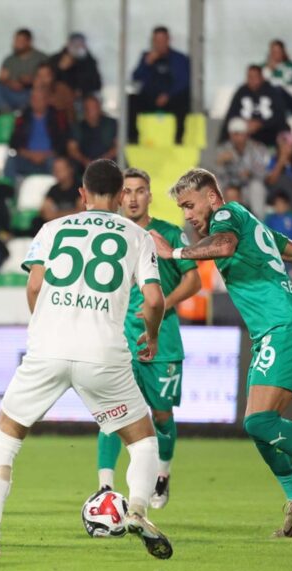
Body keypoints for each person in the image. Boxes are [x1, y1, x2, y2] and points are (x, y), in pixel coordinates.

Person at [0, 159, 172, 560]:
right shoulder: (139, 236)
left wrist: (43, 327)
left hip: (48, 349)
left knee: (6, 438)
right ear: (120, 195)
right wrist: (152, 335)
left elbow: (34, 285)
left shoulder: (51, 229)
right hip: (103, 353)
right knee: (144, 441)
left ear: (81, 193)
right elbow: (153, 299)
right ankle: (137, 510)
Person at [157, 167, 292, 537]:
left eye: (190, 205)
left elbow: (224, 246)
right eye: (182, 208)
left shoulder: (226, 216)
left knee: (259, 422)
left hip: (283, 328)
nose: (187, 215)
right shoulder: (254, 226)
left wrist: (174, 252)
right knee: (259, 425)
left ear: (211, 197)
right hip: (280, 330)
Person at [95, 168, 200, 508]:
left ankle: (161, 476)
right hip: (118, 341)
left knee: (162, 414)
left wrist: (162, 304)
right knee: (112, 413)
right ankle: (105, 487)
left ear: (150, 195)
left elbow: (194, 281)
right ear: (118, 196)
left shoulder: (168, 233)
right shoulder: (109, 235)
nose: (133, 198)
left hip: (163, 341)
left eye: (140, 190)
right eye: (127, 191)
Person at [128, 26, 190, 144]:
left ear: (168, 40)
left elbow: (183, 82)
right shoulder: (146, 57)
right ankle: (133, 137)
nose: (159, 44)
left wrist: (168, 95)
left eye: (162, 40)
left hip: (171, 99)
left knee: (184, 99)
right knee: (131, 100)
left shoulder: (179, 58)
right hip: (151, 98)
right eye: (156, 41)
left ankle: (178, 137)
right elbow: (136, 78)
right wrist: (146, 64)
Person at [212, 117, 270, 218]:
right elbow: (213, 172)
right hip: (229, 186)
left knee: (257, 187)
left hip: (247, 188)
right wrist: (219, 162)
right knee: (215, 186)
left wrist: (251, 172)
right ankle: (217, 220)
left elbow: (264, 172)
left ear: (246, 134)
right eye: (234, 134)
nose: (237, 137)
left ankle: (258, 221)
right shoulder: (223, 149)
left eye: (240, 134)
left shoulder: (256, 148)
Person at [5, 88, 68, 179]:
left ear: (46, 100)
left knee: (57, 163)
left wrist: (45, 155)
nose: (36, 102)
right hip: (27, 158)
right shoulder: (23, 117)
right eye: (34, 99)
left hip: (49, 158)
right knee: (11, 161)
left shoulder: (57, 117)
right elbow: (14, 142)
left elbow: (62, 142)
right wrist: (29, 154)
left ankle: (55, 187)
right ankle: (9, 187)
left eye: (40, 99)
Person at [220, 65, 288, 148]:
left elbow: (280, 115)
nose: (252, 80)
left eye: (255, 77)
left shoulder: (273, 92)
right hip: (246, 131)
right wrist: (244, 124)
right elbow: (232, 114)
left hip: (268, 130)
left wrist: (260, 123)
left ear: (262, 78)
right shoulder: (241, 92)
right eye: (249, 77)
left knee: (283, 130)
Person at [0, 29, 47, 114]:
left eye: (20, 41)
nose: (16, 44)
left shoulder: (41, 58)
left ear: (29, 42)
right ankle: (6, 113)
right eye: (15, 40)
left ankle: (24, 113)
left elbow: (47, 79)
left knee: (39, 93)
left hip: (29, 93)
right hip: (10, 93)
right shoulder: (9, 60)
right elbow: (1, 78)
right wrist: (10, 83)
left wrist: (31, 81)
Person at [47, 32, 102, 101]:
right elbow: (48, 80)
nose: (77, 47)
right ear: (68, 44)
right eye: (74, 44)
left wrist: (82, 90)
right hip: (60, 97)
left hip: (84, 98)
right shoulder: (56, 59)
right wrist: (60, 69)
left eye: (80, 45)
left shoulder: (90, 62)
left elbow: (97, 84)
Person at [67, 95, 117, 170]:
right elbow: (72, 149)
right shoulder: (77, 127)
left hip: (109, 164)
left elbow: (119, 146)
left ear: (99, 108)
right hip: (83, 166)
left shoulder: (111, 124)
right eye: (88, 108)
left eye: (94, 108)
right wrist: (85, 161)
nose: (91, 111)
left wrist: (102, 160)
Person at [265, 130, 292, 213]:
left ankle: (291, 210)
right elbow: (270, 181)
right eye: (282, 146)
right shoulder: (272, 160)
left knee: (287, 181)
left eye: (288, 145)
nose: (285, 148)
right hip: (275, 193)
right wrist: (280, 163)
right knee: (283, 179)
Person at [41, 157, 82, 222]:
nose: (56, 172)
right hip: (56, 224)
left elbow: (81, 212)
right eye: (55, 169)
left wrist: (56, 215)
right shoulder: (53, 189)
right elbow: (46, 212)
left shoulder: (81, 188)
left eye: (61, 169)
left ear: (71, 169)